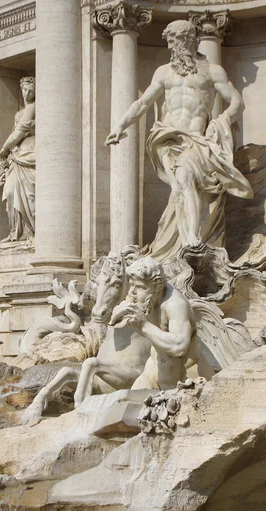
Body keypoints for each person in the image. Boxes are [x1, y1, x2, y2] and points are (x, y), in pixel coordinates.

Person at [106, 20, 253, 261]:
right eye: (169, 42)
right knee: (181, 184)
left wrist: (221, 122)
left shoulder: (212, 71)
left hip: (196, 138)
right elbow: (143, 103)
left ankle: (190, 239)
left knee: (183, 183)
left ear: (189, 39)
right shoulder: (163, 72)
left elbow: (237, 102)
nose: (171, 47)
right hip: (167, 137)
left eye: (174, 41)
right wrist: (121, 125)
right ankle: (190, 239)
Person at [110, 256, 196, 390]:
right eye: (131, 284)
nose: (132, 291)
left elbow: (179, 346)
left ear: (155, 288)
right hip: (153, 369)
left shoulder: (175, 305)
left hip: (187, 380)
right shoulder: (146, 300)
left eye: (138, 286)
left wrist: (143, 326)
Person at [0, 76, 35, 243]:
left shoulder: (32, 108)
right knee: (11, 191)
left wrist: (4, 148)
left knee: (28, 195)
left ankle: (30, 231)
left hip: (28, 150)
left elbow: (18, 133)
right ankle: (17, 232)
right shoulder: (19, 112)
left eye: (30, 90)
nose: (26, 93)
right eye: (24, 89)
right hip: (16, 154)